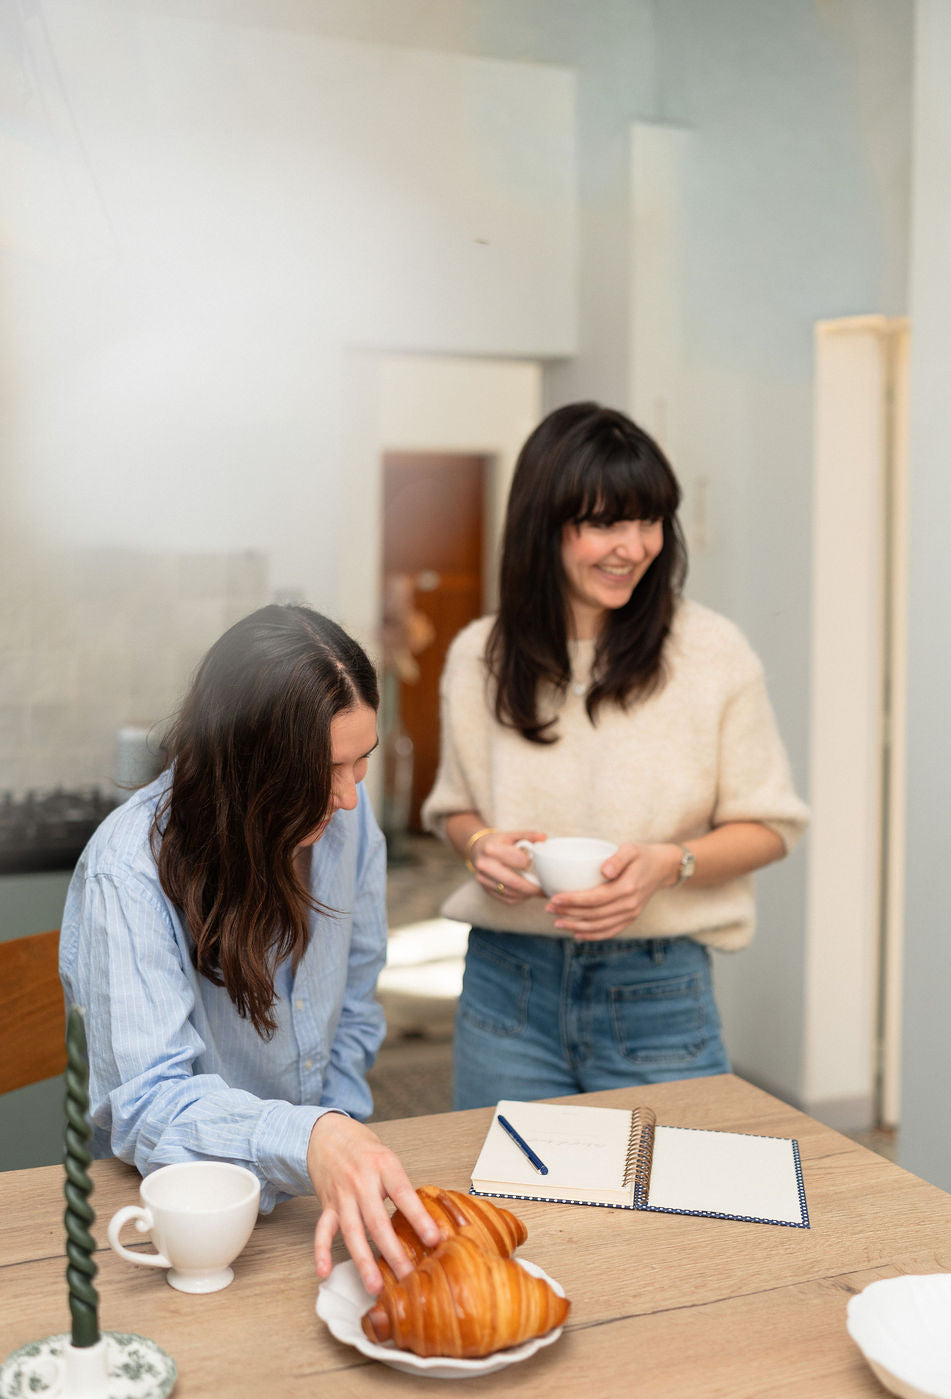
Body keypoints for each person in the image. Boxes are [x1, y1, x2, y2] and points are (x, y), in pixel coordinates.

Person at [421, 402, 809, 1110]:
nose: (633, 546)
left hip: (658, 989)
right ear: (544, 525)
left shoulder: (711, 653)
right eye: (604, 523)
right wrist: (480, 845)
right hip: (508, 986)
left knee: (671, 1211)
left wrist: (670, 864)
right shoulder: (479, 654)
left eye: (650, 520)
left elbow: (771, 827)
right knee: (511, 1209)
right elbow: (456, 809)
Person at [60, 604, 439, 1294]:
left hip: (302, 1204)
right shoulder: (128, 870)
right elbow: (150, 1104)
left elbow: (355, 1000)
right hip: (166, 1220)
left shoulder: (347, 832)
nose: (350, 799)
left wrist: (337, 1134)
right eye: (327, 770)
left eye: (363, 763)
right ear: (250, 768)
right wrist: (310, 1139)